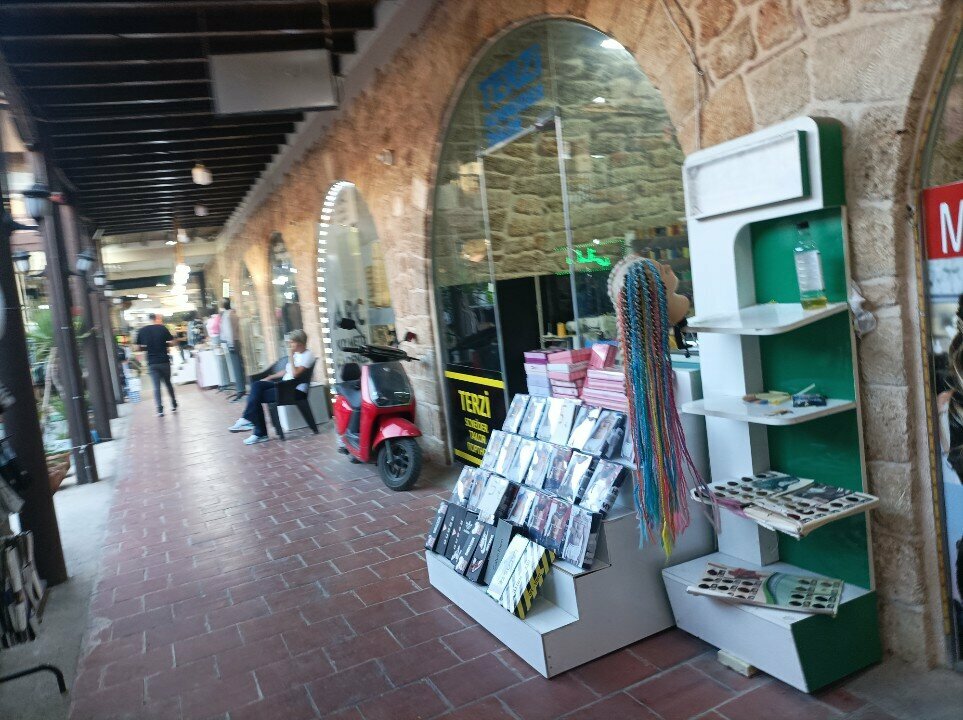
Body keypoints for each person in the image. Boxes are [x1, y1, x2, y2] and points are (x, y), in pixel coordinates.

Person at [228, 329, 314, 445]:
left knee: (257, 395)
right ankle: (249, 422)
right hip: (284, 386)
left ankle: (258, 431)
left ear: (299, 343)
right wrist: (269, 377)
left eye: (292, 342)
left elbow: (294, 374)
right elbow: (286, 371)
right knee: (256, 385)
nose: (290, 344)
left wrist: (291, 356)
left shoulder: (308, 355)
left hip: (293, 390)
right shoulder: (297, 354)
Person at [136, 313, 177, 416]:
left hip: (152, 363)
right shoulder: (162, 328)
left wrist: (148, 349)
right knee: (168, 383)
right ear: (156, 319)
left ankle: (160, 410)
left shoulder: (142, 330)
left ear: (148, 319)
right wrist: (165, 345)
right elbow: (172, 343)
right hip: (164, 361)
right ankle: (173, 404)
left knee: (156, 386)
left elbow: (138, 348)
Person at [219, 298, 245, 401]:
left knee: (236, 367)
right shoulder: (233, 314)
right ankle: (241, 388)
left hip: (232, 342)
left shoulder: (227, 315)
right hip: (236, 340)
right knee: (238, 366)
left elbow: (228, 330)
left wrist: (230, 344)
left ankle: (240, 390)